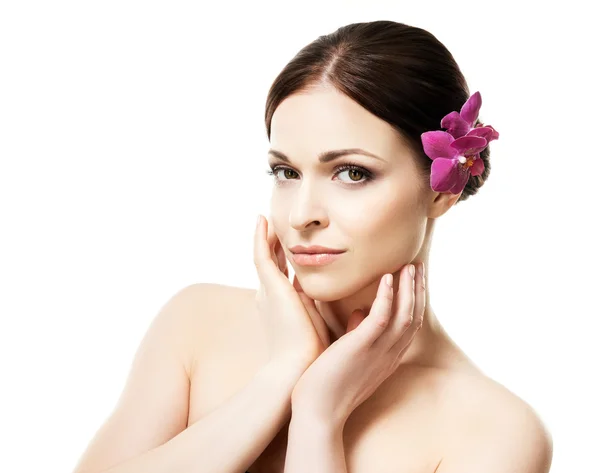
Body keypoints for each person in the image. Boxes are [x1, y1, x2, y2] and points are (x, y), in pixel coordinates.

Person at [72, 20, 553, 473]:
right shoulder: (197, 324)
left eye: (352, 173)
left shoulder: (495, 431)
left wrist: (319, 419)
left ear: (441, 190)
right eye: (287, 172)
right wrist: (278, 377)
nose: (302, 215)